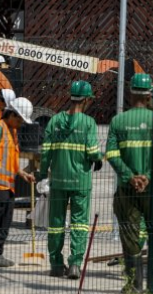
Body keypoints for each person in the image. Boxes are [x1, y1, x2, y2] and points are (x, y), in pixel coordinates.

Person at [106, 73, 153, 293]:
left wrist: (130, 177)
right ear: (148, 96)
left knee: (130, 237)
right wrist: (148, 176)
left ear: (130, 93)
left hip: (128, 191)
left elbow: (112, 154)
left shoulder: (118, 121)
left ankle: (134, 286)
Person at [38, 80, 102, 280]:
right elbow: (92, 151)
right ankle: (75, 264)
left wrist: (41, 173)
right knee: (79, 223)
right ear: (86, 100)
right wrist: (98, 160)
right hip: (81, 181)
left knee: (56, 223)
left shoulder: (55, 121)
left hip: (58, 180)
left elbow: (46, 153)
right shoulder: (88, 123)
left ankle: (56, 264)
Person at [0, 96, 36, 267]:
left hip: (5, 184)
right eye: (20, 120)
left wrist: (21, 173)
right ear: (12, 115)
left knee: (4, 219)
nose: (21, 124)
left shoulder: (12, 131)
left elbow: (10, 158)